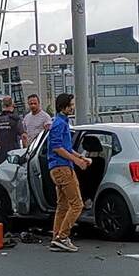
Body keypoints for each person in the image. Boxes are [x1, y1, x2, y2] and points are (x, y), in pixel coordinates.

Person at [47, 93, 90, 253]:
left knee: (63, 205)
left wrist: (80, 157)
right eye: (70, 105)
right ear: (63, 107)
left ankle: (56, 237)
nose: (73, 107)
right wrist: (77, 161)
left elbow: (65, 146)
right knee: (77, 204)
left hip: (58, 167)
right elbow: (57, 148)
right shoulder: (59, 123)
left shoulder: (62, 122)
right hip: (62, 168)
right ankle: (63, 237)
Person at [0, 96, 24, 164]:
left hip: (0, 153)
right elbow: (23, 136)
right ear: (12, 104)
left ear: (2, 105)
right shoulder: (16, 119)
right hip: (14, 152)